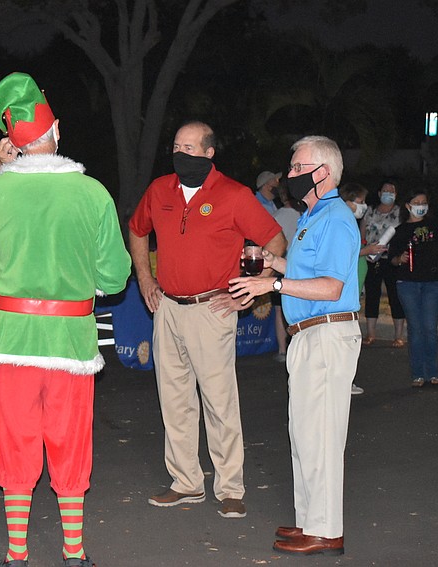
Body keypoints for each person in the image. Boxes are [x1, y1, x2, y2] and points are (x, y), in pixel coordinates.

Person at [0, 72, 131, 567]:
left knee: (14, 439)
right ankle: (73, 553)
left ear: (11, 141)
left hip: (10, 335)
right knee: (69, 438)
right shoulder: (92, 192)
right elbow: (115, 277)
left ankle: (17, 554)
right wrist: (85, 281)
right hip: (70, 340)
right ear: (56, 128)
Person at [128, 121, 286, 520]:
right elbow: (136, 229)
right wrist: (145, 277)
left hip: (212, 309)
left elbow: (274, 241)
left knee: (219, 402)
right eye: (177, 146)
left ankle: (230, 487)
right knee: (175, 401)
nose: (181, 154)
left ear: (210, 153)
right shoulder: (160, 190)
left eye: (190, 148)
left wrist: (253, 288)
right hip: (167, 308)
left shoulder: (233, 195)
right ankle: (185, 482)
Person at [229, 135, 361, 556]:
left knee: (320, 434)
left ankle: (326, 529)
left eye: (298, 168)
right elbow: (308, 270)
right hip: (310, 334)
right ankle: (310, 521)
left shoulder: (336, 218)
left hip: (327, 331)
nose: (290, 175)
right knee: (304, 433)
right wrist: (276, 264)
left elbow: (330, 285)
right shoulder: (313, 215)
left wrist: (274, 282)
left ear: (324, 172)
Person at [387, 189, 438, 388]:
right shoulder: (400, 231)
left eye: (424, 202)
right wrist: (399, 259)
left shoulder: (434, 225)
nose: (421, 205)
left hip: (433, 281)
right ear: (408, 206)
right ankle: (418, 373)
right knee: (416, 329)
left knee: (430, 328)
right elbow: (391, 259)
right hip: (408, 283)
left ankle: (433, 373)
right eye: (417, 202)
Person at [361, 181, 405, 346]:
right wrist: (364, 246)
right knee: (372, 295)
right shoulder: (370, 211)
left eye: (391, 191)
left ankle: (399, 336)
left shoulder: (400, 213)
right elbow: (363, 230)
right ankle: (371, 334)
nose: (388, 194)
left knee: (395, 295)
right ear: (379, 193)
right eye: (385, 191)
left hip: (392, 259)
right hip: (372, 258)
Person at [339, 182, 370, 395]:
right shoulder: (344, 222)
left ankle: (345, 380)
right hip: (345, 295)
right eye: (359, 202)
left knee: (349, 339)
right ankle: (343, 382)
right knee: (346, 340)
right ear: (347, 202)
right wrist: (366, 250)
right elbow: (345, 255)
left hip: (353, 291)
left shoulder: (351, 221)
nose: (363, 206)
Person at [272, 185, 301, 363]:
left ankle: (282, 350)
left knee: (279, 310)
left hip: (278, 267)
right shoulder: (304, 216)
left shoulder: (275, 216)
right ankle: (296, 348)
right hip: (297, 268)